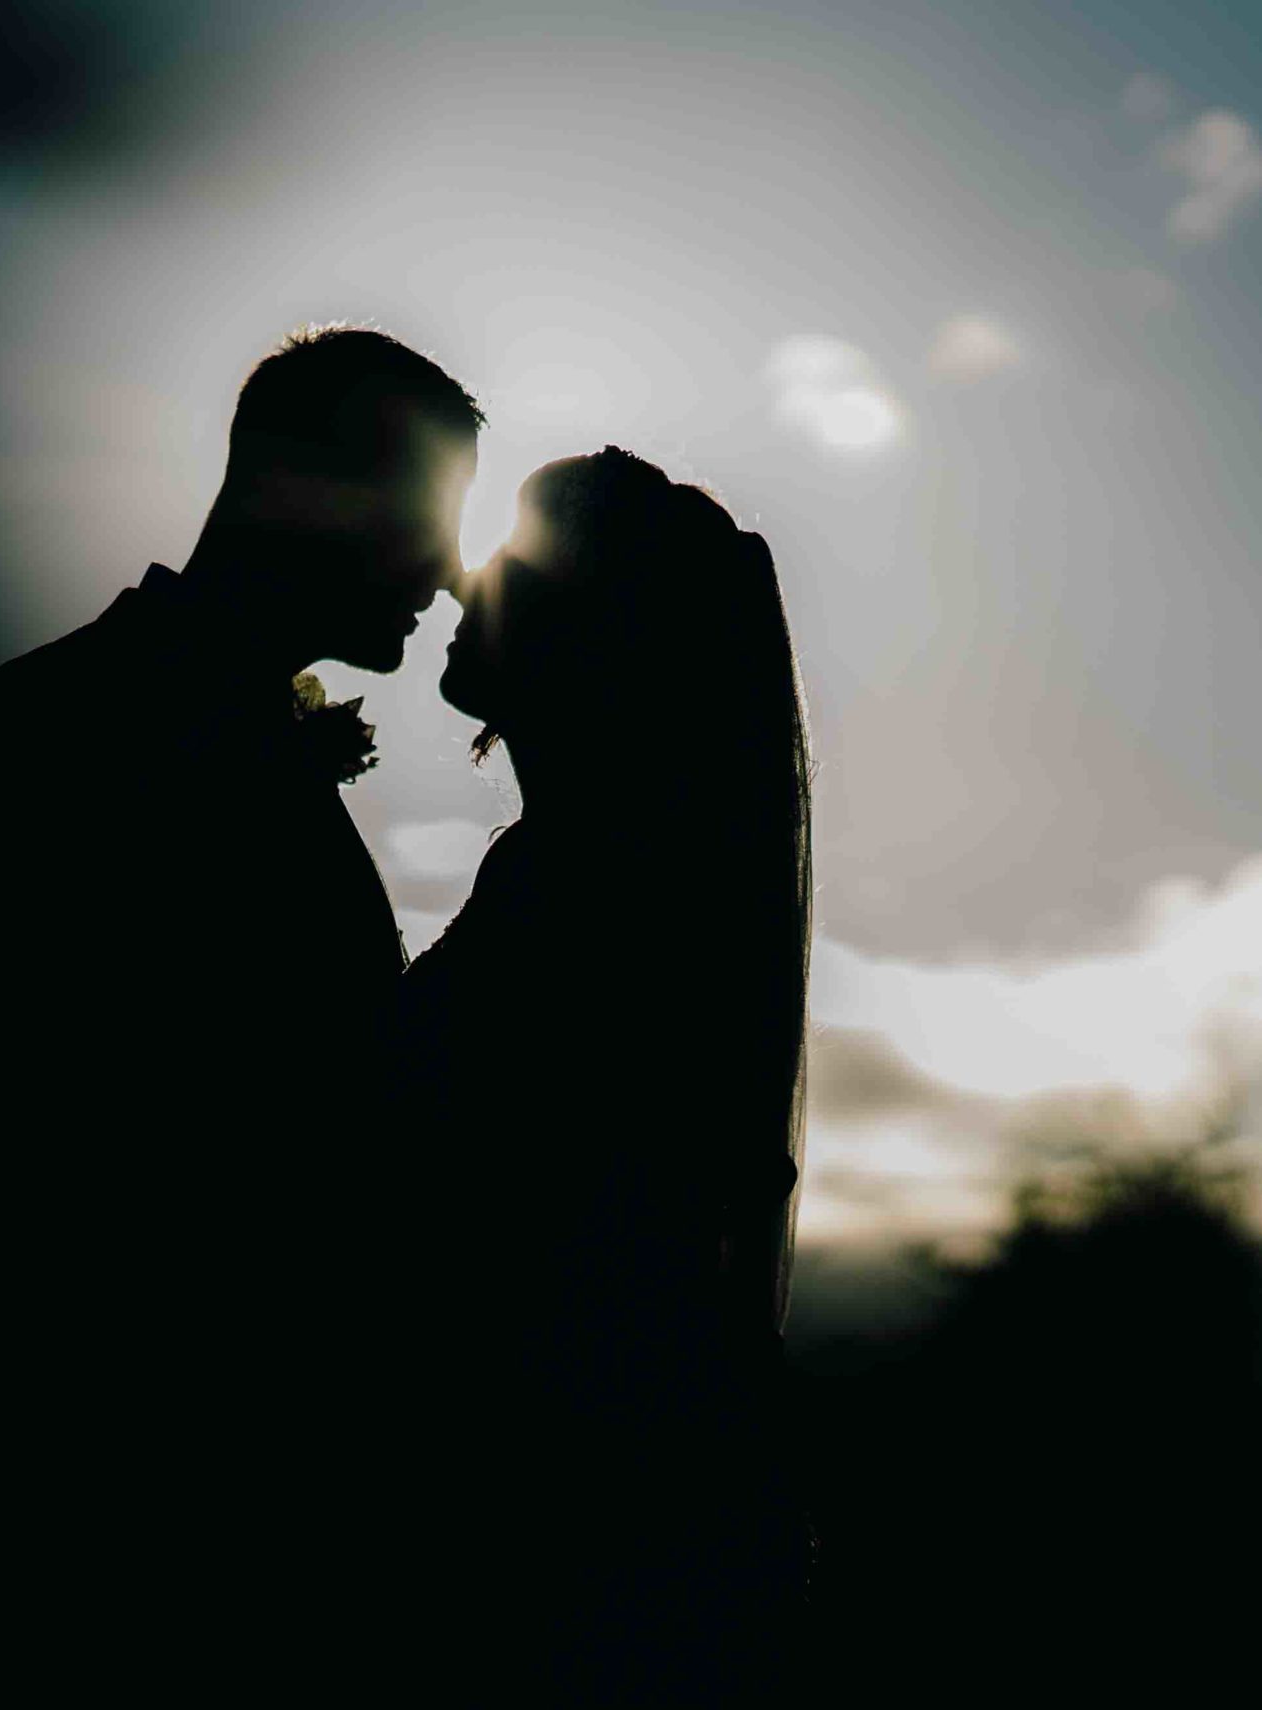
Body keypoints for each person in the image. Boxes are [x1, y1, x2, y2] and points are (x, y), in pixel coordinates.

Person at [0, 326, 482, 1698]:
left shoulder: (170, 720)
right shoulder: (67, 724)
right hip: (118, 1522)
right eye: (430, 517)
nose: (452, 571)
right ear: (299, 486)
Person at [392, 448, 815, 1702]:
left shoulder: (595, 889)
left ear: (593, 631)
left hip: (560, 1503)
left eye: (510, 557)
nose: (466, 579)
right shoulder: (592, 865)